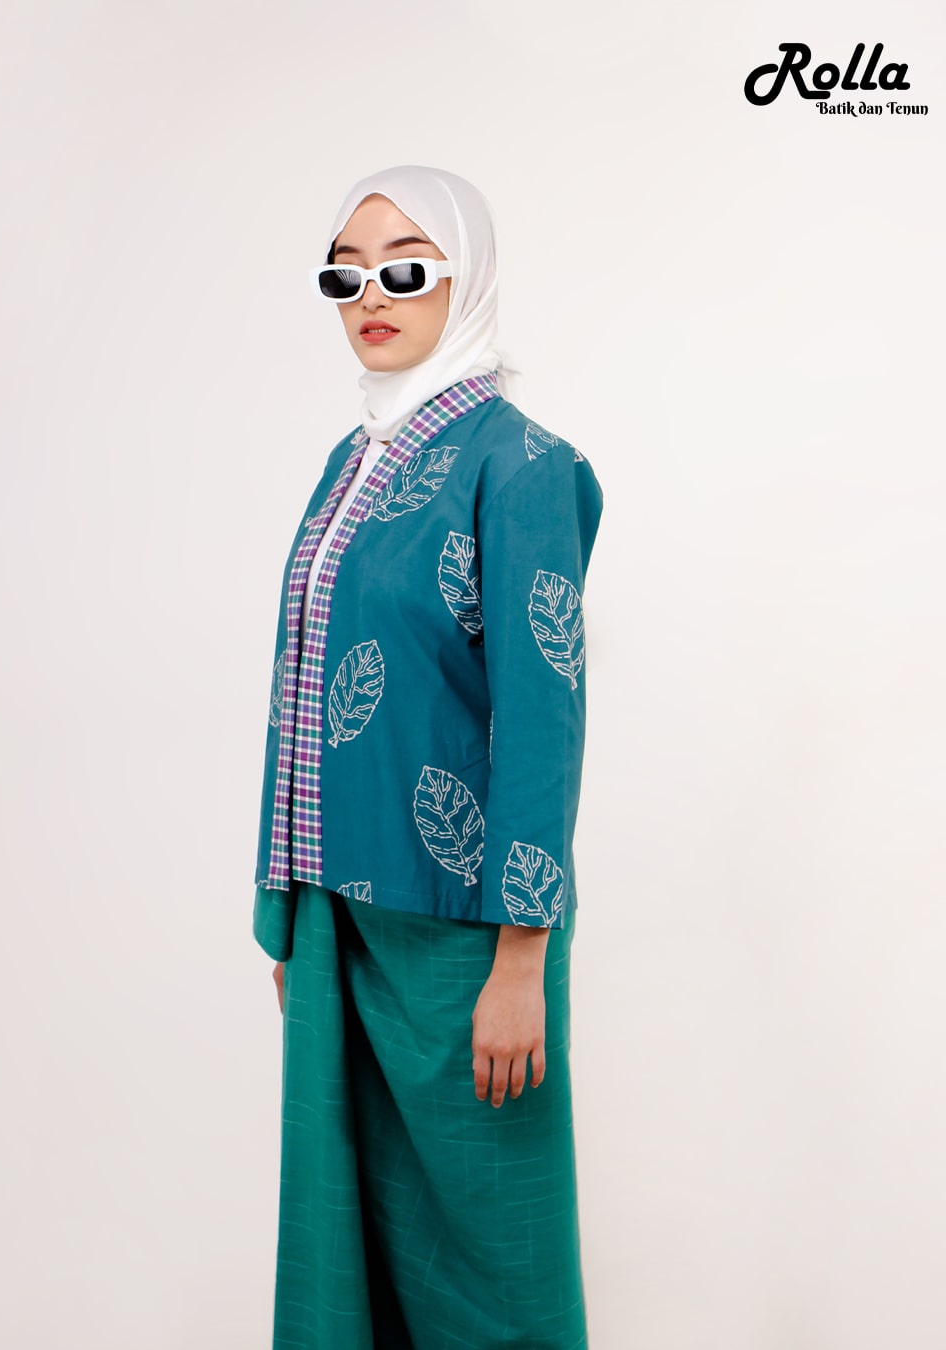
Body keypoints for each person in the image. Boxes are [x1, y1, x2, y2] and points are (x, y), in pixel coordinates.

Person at [252, 164, 603, 1349]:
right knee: (350, 1246)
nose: (371, 296)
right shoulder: (351, 463)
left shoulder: (525, 465)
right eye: (344, 276)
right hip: (336, 914)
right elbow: (302, 682)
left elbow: (542, 715)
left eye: (405, 269)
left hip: (460, 932)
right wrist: (288, 908)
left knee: (496, 1267)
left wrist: (522, 957)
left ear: (468, 276)